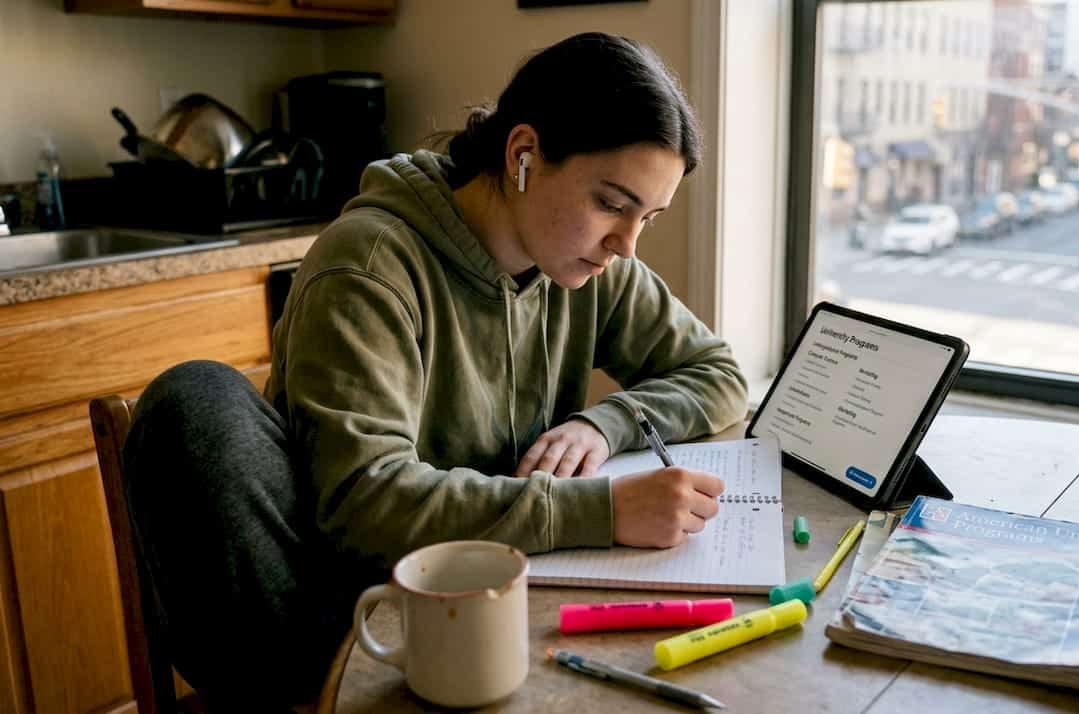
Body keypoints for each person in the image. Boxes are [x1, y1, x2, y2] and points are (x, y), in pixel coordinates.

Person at [123, 31, 747, 711]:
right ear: (523, 155)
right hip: (360, 621)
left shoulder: (589, 266)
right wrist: (601, 509)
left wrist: (608, 422)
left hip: (494, 597)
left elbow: (717, 372)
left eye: (648, 218)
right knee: (192, 396)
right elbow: (367, 503)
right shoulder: (368, 268)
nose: (625, 245)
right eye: (611, 203)